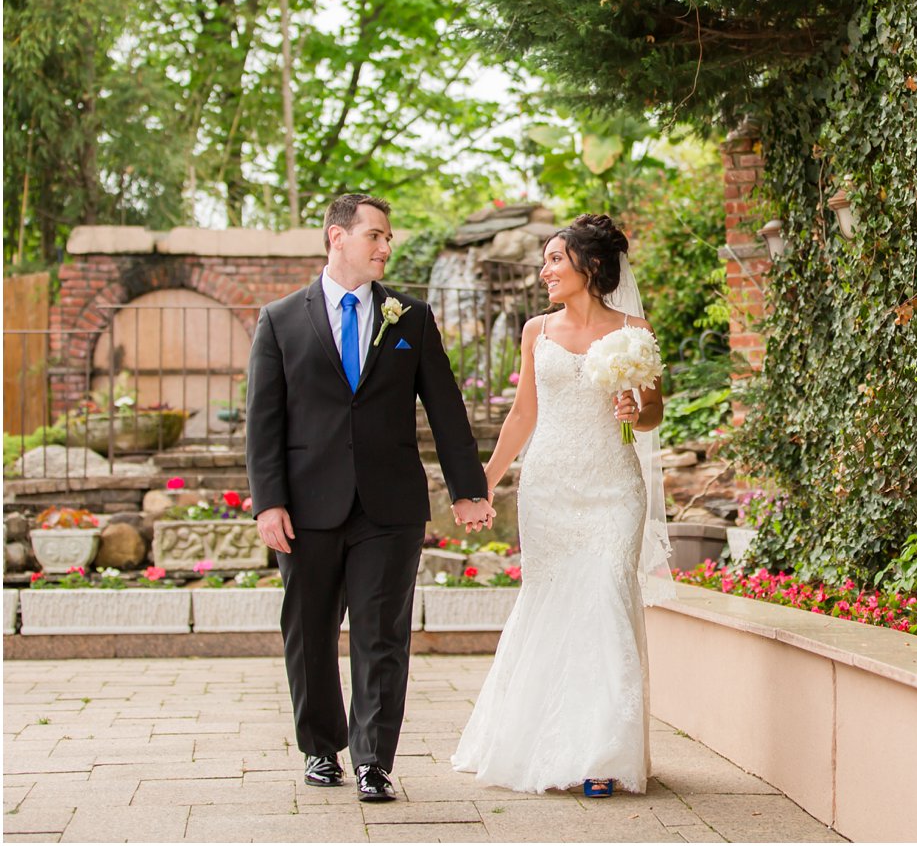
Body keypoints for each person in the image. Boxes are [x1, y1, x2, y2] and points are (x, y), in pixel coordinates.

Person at [245, 193, 494, 803]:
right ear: (337, 237)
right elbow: (263, 421)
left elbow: (446, 409)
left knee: (383, 634)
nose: (386, 247)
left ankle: (373, 760)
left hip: (390, 506)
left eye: (387, 238)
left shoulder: (410, 317)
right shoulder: (280, 320)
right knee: (308, 630)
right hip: (306, 507)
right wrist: (268, 502)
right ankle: (319, 749)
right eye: (376, 236)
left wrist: (467, 490)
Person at [452, 213, 673, 797]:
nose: (545, 270)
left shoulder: (634, 329)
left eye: (555, 259)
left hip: (613, 489)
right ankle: (542, 739)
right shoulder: (535, 331)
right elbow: (523, 414)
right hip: (548, 487)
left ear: (590, 266)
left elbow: (654, 411)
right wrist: (484, 483)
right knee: (551, 603)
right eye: (546, 260)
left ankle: (602, 753)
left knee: (605, 601)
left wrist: (636, 412)